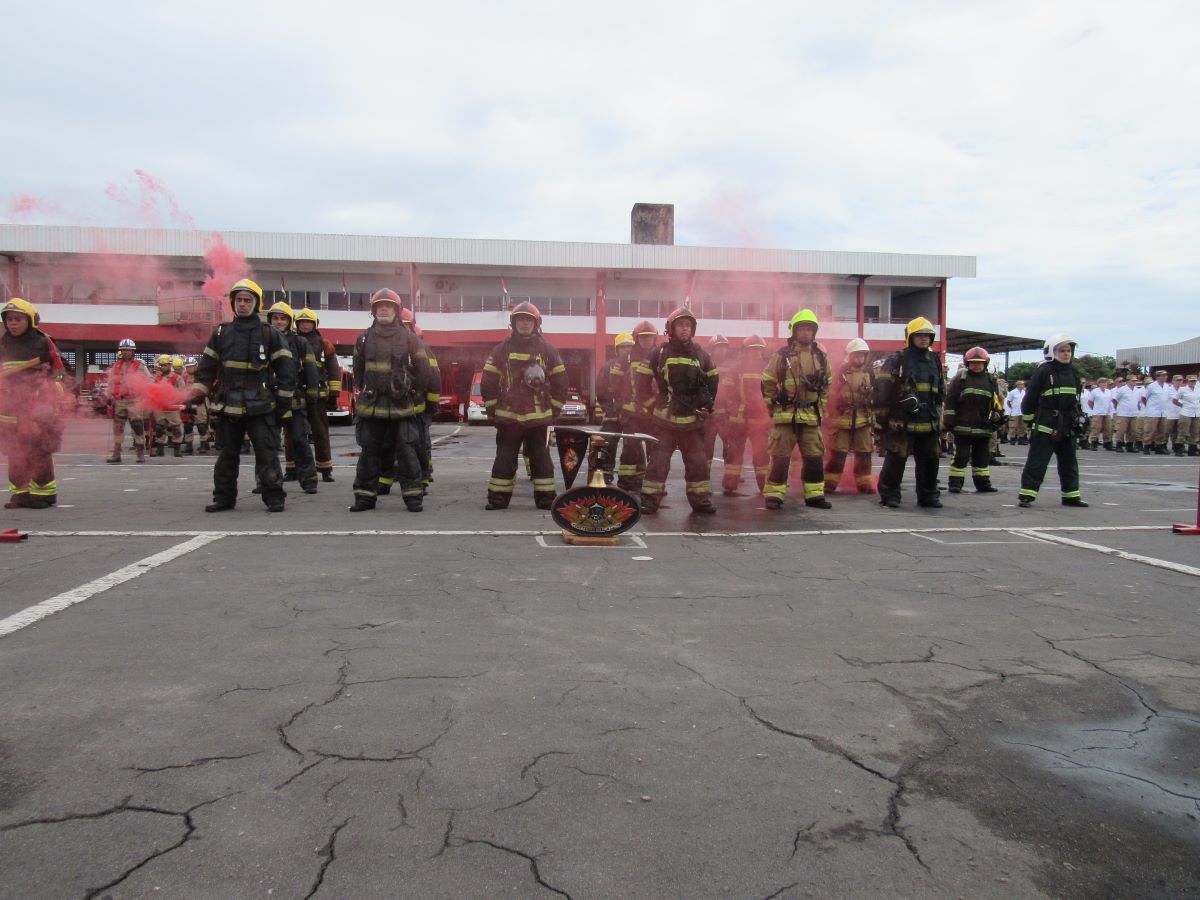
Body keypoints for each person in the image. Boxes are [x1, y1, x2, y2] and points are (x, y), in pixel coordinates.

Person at [192, 278, 297, 513]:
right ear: (233, 303)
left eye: (247, 300)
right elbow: (206, 368)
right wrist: (198, 390)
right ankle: (224, 498)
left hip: (261, 405)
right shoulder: (221, 333)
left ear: (256, 304)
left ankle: (274, 497)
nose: (242, 304)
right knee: (227, 456)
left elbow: (287, 372)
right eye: (238, 299)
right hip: (229, 405)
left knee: (267, 453)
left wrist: (283, 405)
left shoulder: (269, 333)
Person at [349, 290, 430, 512]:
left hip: (400, 406)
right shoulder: (363, 338)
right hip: (372, 407)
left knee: (406, 452)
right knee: (369, 454)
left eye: (389, 306)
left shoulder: (410, 338)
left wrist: (414, 393)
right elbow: (358, 370)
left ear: (396, 310)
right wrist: (365, 390)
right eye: (380, 306)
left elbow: (424, 371)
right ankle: (364, 498)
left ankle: (413, 497)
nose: (384, 309)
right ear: (373, 310)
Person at [635, 307, 718, 514]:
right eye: (680, 325)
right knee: (658, 463)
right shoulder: (659, 353)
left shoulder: (701, 354)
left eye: (688, 326)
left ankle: (701, 501)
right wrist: (651, 405)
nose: (684, 329)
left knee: (698, 463)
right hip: (665, 421)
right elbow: (641, 381)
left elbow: (713, 380)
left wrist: (706, 404)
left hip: (692, 421)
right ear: (671, 328)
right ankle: (650, 501)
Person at [761, 309, 832, 510]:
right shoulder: (781, 356)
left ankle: (815, 495)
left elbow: (827, 385)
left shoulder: (821, 357)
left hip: (810, 417)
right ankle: (774, 496)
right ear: (794, 331)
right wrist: (773, 407)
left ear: (814, 332)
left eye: (810, 329)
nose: (806, 333)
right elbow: (767, 381)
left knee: (814, 457)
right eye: (802, 329)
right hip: (785, 416)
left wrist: (820, 408)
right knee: (780, 458)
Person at [873, 317, 945, 509]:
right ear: (910, 337)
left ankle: (928, 496)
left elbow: (940, 392)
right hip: (901, 421)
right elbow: (882, 391)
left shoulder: (934, 361)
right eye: (919, 335)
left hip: (928, 421)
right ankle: (890, 495)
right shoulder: (898, 359)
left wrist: (939, 419)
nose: (924, 339)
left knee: (931, 461)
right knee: (896, 460)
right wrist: (882, 421)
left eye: (927, 336)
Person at [0, 298, 65, 509]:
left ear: (31, 320)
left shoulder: (43, 342)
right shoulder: (2, 343)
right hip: (10, 406)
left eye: (18, 319)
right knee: (14, 450)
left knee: (39, 449)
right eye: (9, 319)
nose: (13, 323)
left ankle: (44, 494)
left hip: (38, 405)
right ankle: (21, 493)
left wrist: (52, 391)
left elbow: (59, 372)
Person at [1018, 334, 1087, 508]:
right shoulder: (1044, 371)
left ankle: (1071, 496)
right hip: (1045, 425)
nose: (1066, 354)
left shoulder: (1074, 372)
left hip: (1068, 425)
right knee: (1037, 462)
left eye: (1068, 351)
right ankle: (1027, 495)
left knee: (1069, 463)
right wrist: (1029, 420)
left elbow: (1076, 399)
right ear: (1051, 352)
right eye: (1062, 350)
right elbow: (1029, 399)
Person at [267, 302, 320, 495]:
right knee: (267, 443)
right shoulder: (262, 340)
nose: (279, 321)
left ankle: (309, 480)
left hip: (294, 400)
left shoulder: (300, 343)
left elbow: (311, 371)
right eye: (275, 318)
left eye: (283, 318)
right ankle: (266, 480)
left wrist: (312, 397)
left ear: (290, 322)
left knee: (299, 439)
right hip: (268, 400)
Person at [942, 346, 1002, 493]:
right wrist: (949, 420)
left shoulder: (991, 381)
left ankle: (983, 484)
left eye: (980, 362)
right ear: (967, 363)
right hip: (963, 427)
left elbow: (997, 402)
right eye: (973, 362)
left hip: (983, 428)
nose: (976, 365)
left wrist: (998, 416)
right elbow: (950, 401)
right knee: (961, 456)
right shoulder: (960, 379)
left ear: (985, 363)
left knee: (982, 457)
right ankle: (955, 484)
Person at [823, 338, 876, 495]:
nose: (860, 358)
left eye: (862, 355)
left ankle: (864, 483)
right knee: (838, 453)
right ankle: (830, 483)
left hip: (863, 418)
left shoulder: (869, 373)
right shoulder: (840, 373)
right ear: (850, 356)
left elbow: (875, 394)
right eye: (856, 355)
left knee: (864, 453)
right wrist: (829, 415)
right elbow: (830, 396)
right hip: (842, 420)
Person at [294, 307, 341, 482]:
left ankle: (325, 469)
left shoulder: (325, 344)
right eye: (301, 322)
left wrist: (334, 394)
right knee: (294, 434)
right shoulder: (291, 341)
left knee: (320, 432)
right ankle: (292, 469)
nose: (305, 325)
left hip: (319, 395)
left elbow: (334, 370)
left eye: (308, 322)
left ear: (315, 324)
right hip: (296, 393)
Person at [722, 334, 772, 494]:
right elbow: (727, 392)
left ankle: (765, 485)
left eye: (758, 350)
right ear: (745, 351)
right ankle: (730, 482)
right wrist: (734, 409)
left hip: (759, 420)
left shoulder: (768, 368)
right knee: (734, 452)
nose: (756, 353)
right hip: (738, 419)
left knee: (761, 454)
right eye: (752, 350)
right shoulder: (736, 368)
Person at [616, 321, 660, 495]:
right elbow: (614, 385)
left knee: (656, 451)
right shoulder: (626, 359)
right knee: (630, 449)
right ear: (637, 338)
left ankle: (652, 483)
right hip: (632, 413)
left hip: (654, 413)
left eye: (650, 337)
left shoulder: (660, 356)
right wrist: (620, 403)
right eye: (643, 337)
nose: (647, 340)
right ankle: (626, 482)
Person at [397, 310, 440, 491]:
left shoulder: (422, 349)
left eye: (407, 325)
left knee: (419, 441)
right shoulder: (390, 346)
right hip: (397, 405)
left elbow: (433, 379)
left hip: (418, 405)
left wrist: (430, 405)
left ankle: (423, 474)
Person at [702, 334, 739, 491]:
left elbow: (737, 389)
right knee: (706, 449)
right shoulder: (704, 365)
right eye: (719, 347)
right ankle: (703, 479)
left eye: (724, 347)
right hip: (709, 416)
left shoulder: (733, 366)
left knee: (731, 447)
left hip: (726, 416)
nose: (722, 350)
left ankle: (731, 478)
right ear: (712, 348)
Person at [105, 338, 150, 464]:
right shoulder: (116, 365)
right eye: (123, 350)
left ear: (133, 351)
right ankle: (116, 453)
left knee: (137, 426)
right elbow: (111, 381)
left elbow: (149, 380)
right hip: (120, 401)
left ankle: (140, 453)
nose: (125, 352)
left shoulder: (140, 365)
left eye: (128, 350)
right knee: (118, 428)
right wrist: (109, 395)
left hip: (134, 400)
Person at [151, 353, 186, 457]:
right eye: (161, 365)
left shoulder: (177, 378)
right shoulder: (156, 378)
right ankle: (160, 449)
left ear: (170, 365)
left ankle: (177, 450)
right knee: (159, 428)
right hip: (160, 408)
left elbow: (182, 391)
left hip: (172, 408)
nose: (163, 367)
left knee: (176, 428)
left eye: (165, 365)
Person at [1141, 370, 1170, 455]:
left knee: (1162, 430)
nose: (1164, 377)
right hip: (1152, 412)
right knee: (1150, 430)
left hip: (1163, 412)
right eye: (1162, 375)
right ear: (1157, 377)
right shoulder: (1151, 386)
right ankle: (1146, 446)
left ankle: (1159, 447)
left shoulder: (1167, 386)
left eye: (1165, 375)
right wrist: (1149, 407)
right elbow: (1144, 398)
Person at [1109, 375, 1138, 452]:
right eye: (1133, 380)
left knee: (1133, 430)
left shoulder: (1137, 390)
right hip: (1123, 413)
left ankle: (1130, 445)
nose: (1135, 382)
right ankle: (1119, 445)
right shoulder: (1122, 390)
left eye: (1135, 380)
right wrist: (1117, 408)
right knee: (1121, 430)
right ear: (1128, 381)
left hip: (1134, 413)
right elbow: (1115, 400)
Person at [1086, 376, 1114, 450]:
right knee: (1096, 428)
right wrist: (1094, 409)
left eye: (1105, 382)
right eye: (1102, 382)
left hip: (1107, 412)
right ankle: (1094, 443)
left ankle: (1107, 443)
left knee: (1108, 428)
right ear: (1099, 383)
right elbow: (1090, 402)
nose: (1104, 384)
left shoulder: (1108, 391)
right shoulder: (1095, 391)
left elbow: (1110, 402)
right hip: (1098, 412)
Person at [1178, 374, 1200, 456]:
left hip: (1196, 413)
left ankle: (1192, 450)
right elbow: (1176, 399)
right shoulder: (1183, 389)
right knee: (1183, 431)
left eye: (1194, 381)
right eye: (1191, 381)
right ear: (1188, 381)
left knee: (1194, 432)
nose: (1193, 382)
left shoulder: (1198, 389)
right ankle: (1178, 449)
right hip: (1186, 413)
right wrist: (1182, 405)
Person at [1165, 374, 1184, 455]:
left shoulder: (1184, 389)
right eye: (1177, 380)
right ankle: (1163, 446)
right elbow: (1175, 399)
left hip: (1181, 414)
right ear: (1173, 381)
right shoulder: (1169, 390)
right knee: (1167, 431)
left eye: (1180, 380)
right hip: (1170, 414)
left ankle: (1176, 447)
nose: (1179, 382)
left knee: (1178, 432)